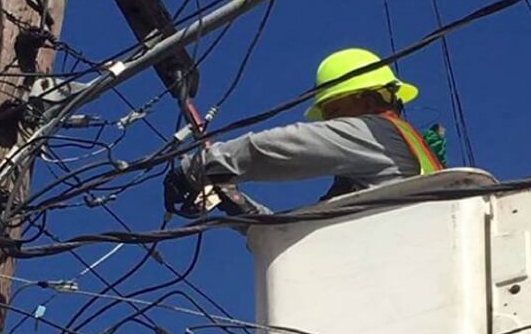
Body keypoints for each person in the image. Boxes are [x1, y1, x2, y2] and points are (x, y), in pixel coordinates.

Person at [163, 48, 446, 217]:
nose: (329, 122)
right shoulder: (391, 160)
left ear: (369, 101)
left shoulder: (375, 133)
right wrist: (243, 208)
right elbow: (305, 234)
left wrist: (198, 167)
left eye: (334, 109)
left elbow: (280, 147)